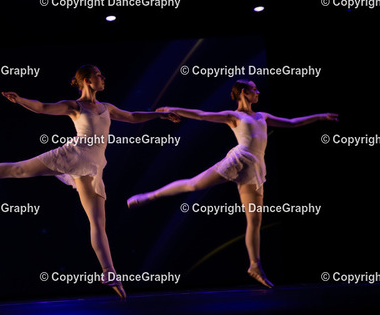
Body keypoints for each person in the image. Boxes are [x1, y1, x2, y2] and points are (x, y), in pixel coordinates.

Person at [0, 65, 180, 300]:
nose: (103, 78)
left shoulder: (107, 108)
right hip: (72, 156)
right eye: (98, 75)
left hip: (93, 168)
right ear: (87, 80)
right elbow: (43, 107)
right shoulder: (75, 106)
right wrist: (20, 100)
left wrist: (159, 114)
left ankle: (109, 272)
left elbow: (133, 116)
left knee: (97, 221)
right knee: (19, 169)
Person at [127, 79, 337, 288]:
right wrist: (173, 109)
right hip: (239, 160)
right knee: (193, 185)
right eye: (254, 89)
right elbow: (201, 115)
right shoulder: (233, 116)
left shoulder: (262, 116)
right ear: (244, 92)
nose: (258, 92)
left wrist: (320, 116)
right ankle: (149, 196)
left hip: (254, 170)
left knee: (254, 221)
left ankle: (255, 266)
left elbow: (292, 123)